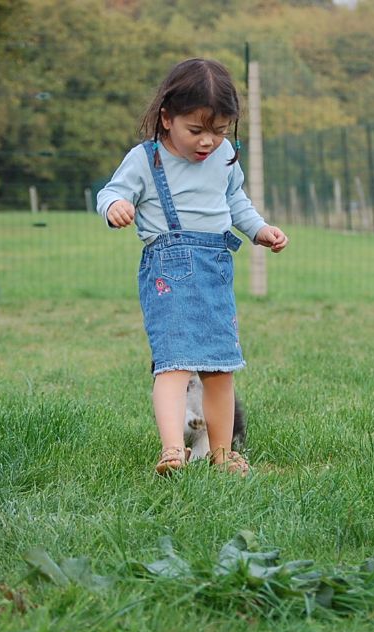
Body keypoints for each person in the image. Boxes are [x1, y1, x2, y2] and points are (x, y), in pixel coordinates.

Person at [95, 58, 288, 477]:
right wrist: (116, 206)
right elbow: (110, 191)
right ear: (166, 118)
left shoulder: (224, 159)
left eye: (219, 132)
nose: (208, 142)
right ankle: (172, 450)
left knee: (221, 366)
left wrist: (259, 230)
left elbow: (235, 202)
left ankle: (221, 454)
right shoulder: (146, 159)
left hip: (216, 270)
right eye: (196, 130)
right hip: (169, 271)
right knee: (174, 363)